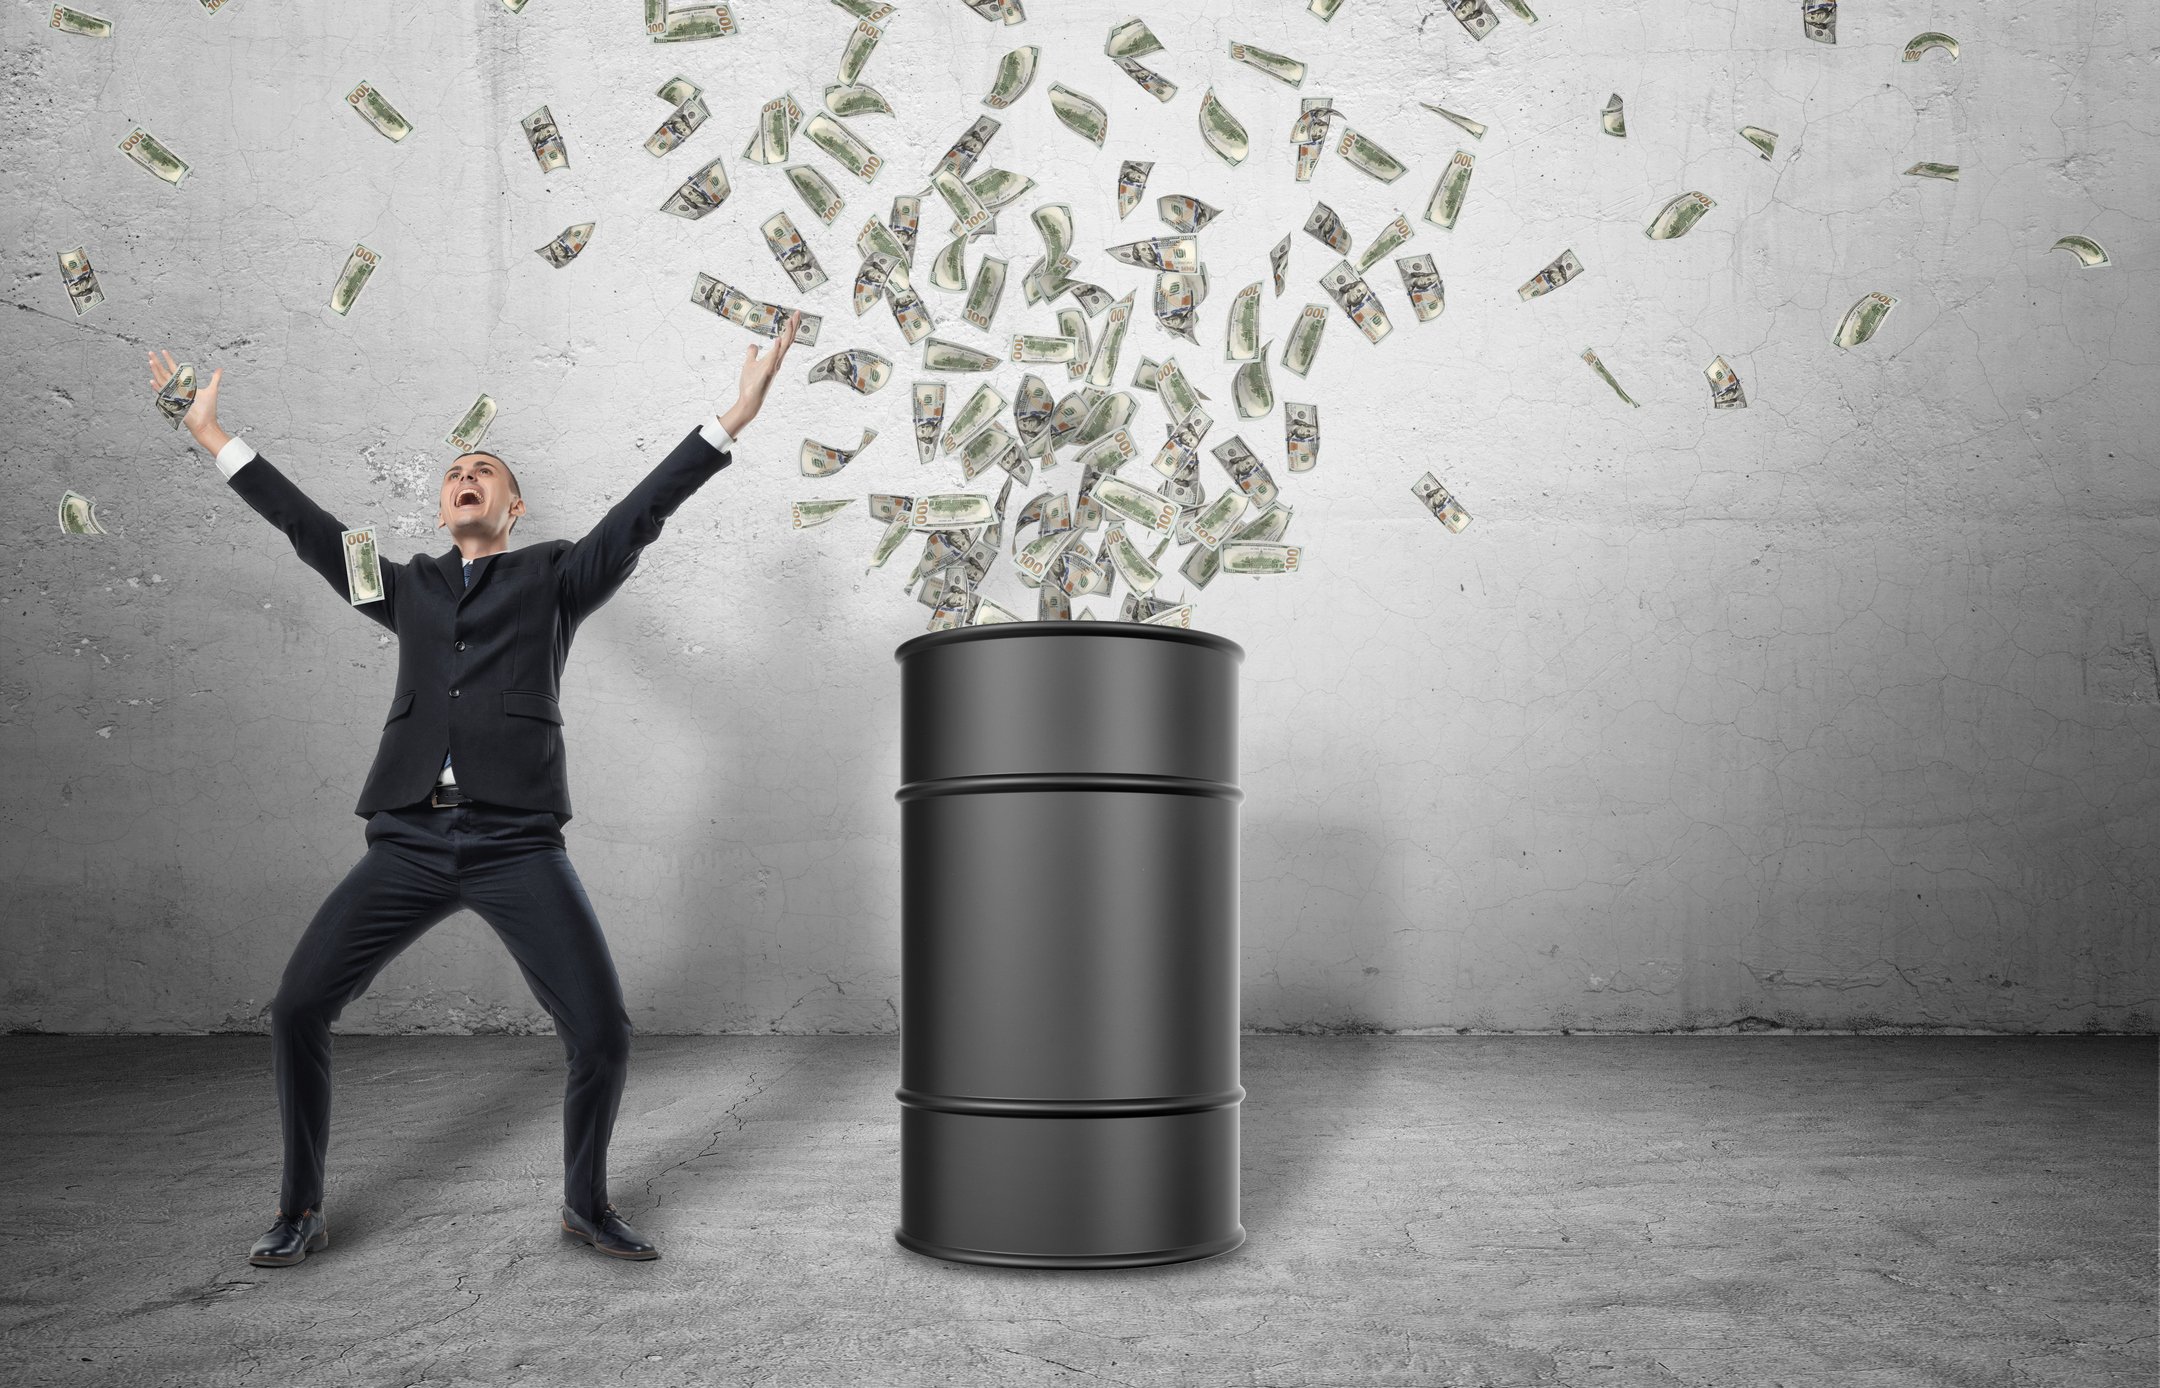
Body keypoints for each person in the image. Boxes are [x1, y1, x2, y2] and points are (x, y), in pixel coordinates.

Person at [146, 310, 801, 1266]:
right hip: (408, 839)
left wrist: (731, 418)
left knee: (604, 1034)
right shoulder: (403, 585)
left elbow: (642, 511)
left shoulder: (556, 577)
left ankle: (584, 1203)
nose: (466, 476)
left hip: (516, 843)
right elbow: (306, 527)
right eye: (456, 471)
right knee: (296, 1008)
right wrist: (212, 435)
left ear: (515, 507)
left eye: (485, 471)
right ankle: (299, 1210)